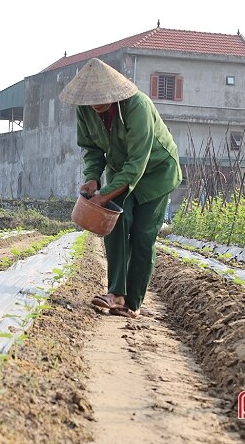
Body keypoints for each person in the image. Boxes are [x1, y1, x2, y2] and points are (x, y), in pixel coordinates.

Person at [59, 58, 181, 318]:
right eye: (91, 99)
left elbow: (138, 162)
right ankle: (115, 293)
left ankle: (132, 303)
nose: (96, 104)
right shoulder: (85, 110)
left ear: (114, 93)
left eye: (101, 98)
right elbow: (91, 149)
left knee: (143, 235)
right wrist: (93, 177)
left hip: (156, 172)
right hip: (120, 170)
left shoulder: (137, 106)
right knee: (115, 223)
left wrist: (104, 195)